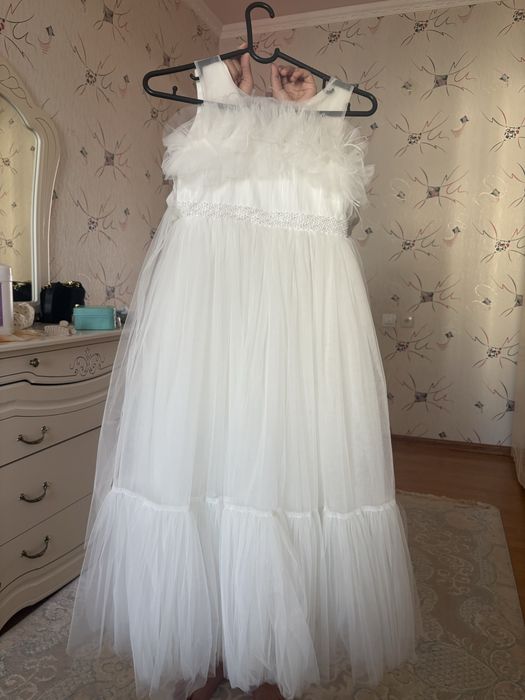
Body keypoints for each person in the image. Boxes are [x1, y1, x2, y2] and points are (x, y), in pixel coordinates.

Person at [188, 45, 319, 700]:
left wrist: (310, 113)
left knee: (277, 489)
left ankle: (265, 646)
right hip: (205, 341)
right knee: (205, 482)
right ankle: (212, 642)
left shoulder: (323, 122)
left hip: (290, 349)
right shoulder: (208, 108)